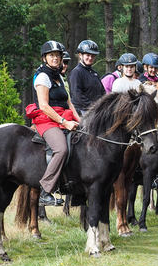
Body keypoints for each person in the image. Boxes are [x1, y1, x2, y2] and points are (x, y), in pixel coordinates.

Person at [31, 41, 80, 206]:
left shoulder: (59, 76)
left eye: (57, 55)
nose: (55, 58)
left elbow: (69, 102)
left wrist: (81, 121)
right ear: (44, 57)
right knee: (61, 149)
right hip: (47, 120)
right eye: (51, 55)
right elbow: (44, 106)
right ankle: (45, 191)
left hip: (64, 116)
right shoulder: (43, 77)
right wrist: (65, 123)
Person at [69, 40, 104, 115]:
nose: (90, 58)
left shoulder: (95, 73)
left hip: (95, 110)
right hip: (81, 110)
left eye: (93, 56)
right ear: (80, 55)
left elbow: (102, 91)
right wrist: (92, 106)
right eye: (87, 55)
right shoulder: (77, 72)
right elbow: (77, 93)